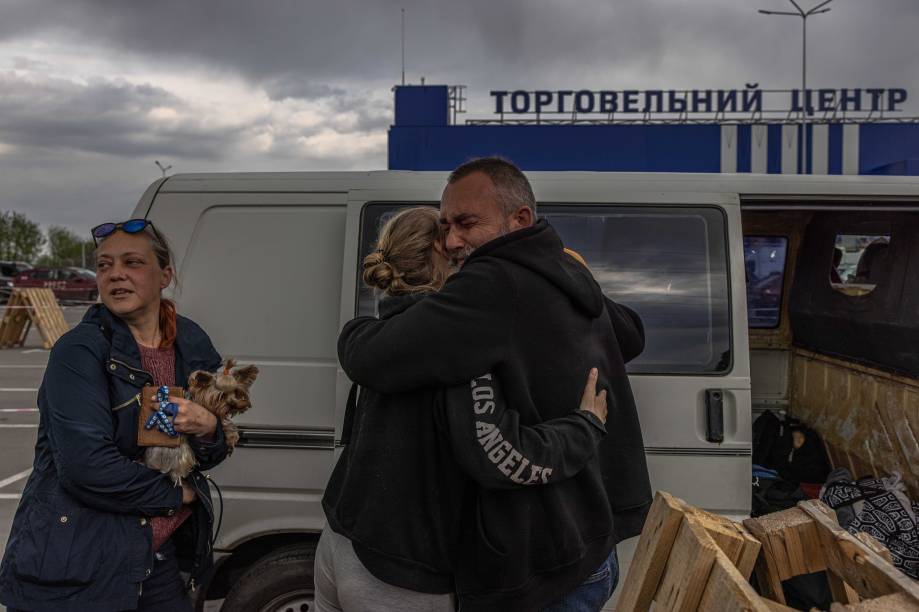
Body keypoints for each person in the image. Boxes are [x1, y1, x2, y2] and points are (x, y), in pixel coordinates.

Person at [338, 158, 651, 611]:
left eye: (466, 223)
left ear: (519, 218)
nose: (451, 241)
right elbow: (632, 335)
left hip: (540, 569)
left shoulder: (492, 283)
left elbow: (370, 358)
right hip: (591, 546)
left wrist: (354, 331)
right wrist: (577, 271)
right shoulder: (563, 271)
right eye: (445, 226)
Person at [0, 219, 228, 612]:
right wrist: (179, 495)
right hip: (77, 563)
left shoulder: (191, 342)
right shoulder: (80, 351)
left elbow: (205, 452)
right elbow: (86, 467)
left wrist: (210, 429)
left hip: (155, 558)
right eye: (104, 265)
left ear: (165, 275)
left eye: (132, 262)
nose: (115, 274)